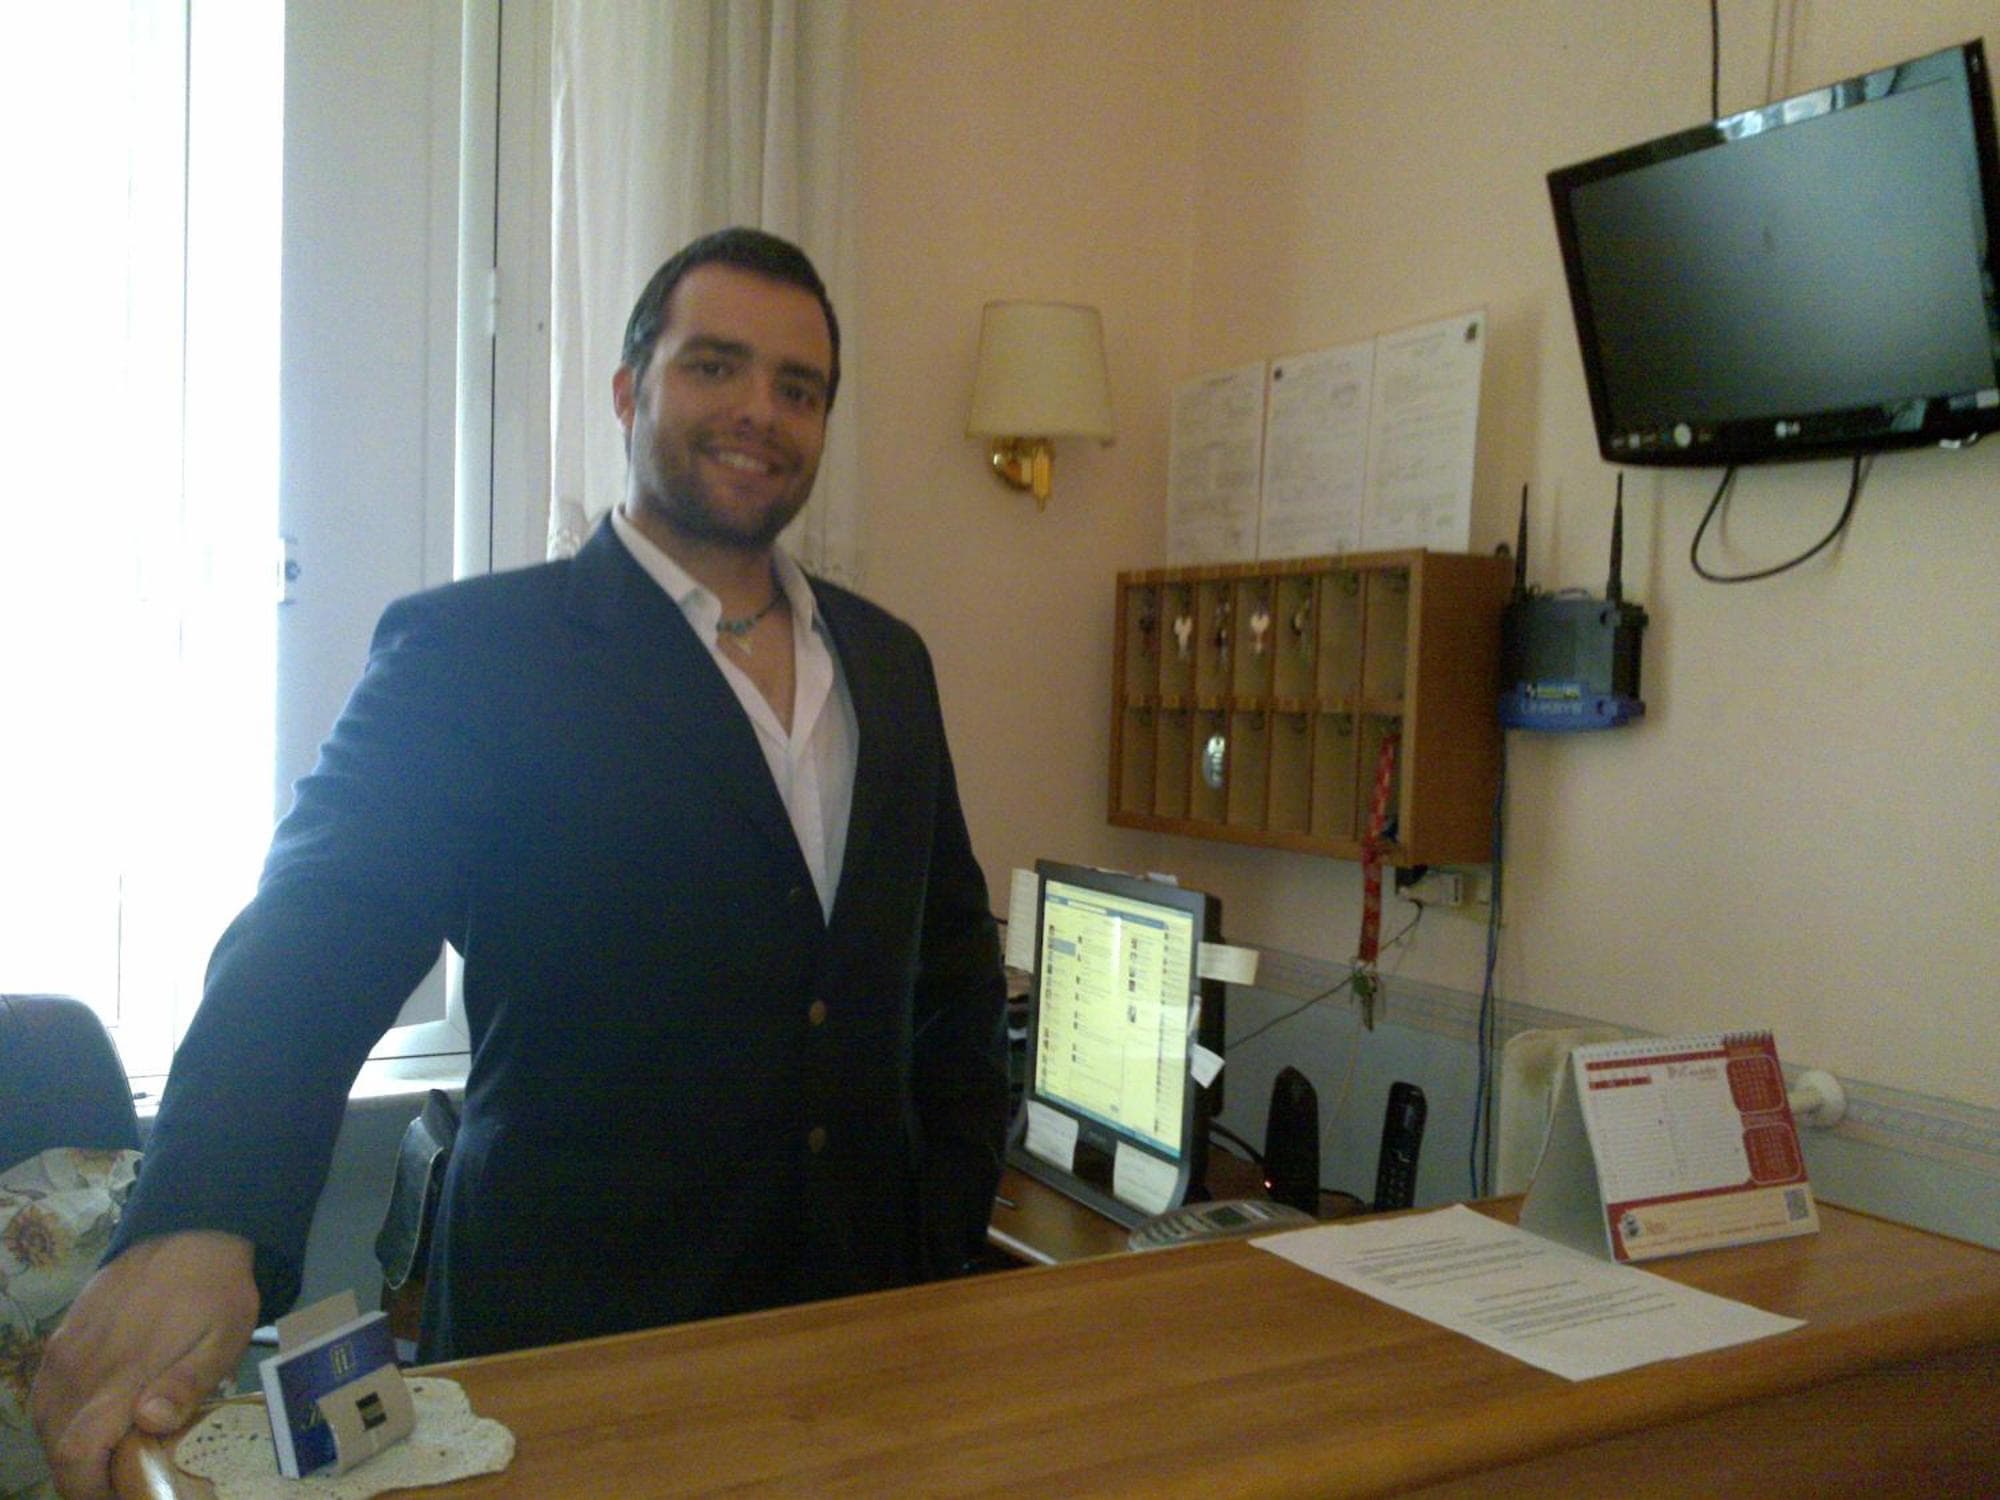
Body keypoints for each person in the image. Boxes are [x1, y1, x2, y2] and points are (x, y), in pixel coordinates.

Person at [31, 227, 1010, 1500]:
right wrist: (203, 1213)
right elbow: (319, 924)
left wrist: (945, 1220)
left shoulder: (889, 660)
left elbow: (951, 963)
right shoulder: (475, 653)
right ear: (628, 390)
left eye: (798, 387)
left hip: (862, 1329)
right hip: (575, 1336)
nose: (759, 412)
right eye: (715, 366)